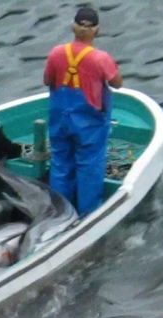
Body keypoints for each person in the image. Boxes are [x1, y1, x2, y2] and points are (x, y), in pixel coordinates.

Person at [43, 7, 123, 216]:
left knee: (60, 164)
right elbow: (117, 83)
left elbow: (47, 81)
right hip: (89, 124)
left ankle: (59, 214)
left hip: (60, 119)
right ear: (97, 30)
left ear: (73, 27)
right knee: (89, 167)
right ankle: (87, 215)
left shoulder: (56, 53)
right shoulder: (101, 58)